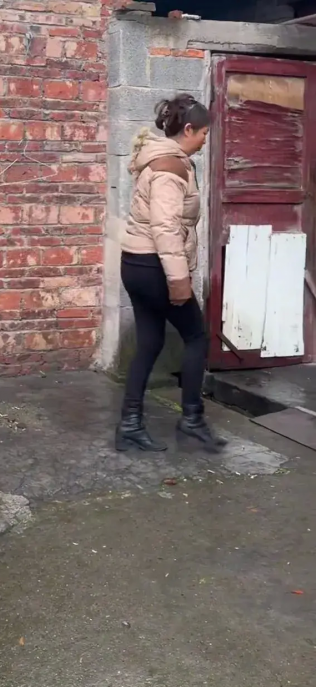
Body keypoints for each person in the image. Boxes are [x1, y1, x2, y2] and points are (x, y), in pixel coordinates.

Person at [116, 94, 226, 454]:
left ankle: (130, 426)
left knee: (150, 342)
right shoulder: (170, 168)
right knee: (196, 337)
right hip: (155, 267)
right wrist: (179, 280)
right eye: (204, 133)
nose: (206, 140)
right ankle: (192, 420)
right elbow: (165, 227)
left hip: (137, 264)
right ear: (189, 129)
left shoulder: (160, 159)